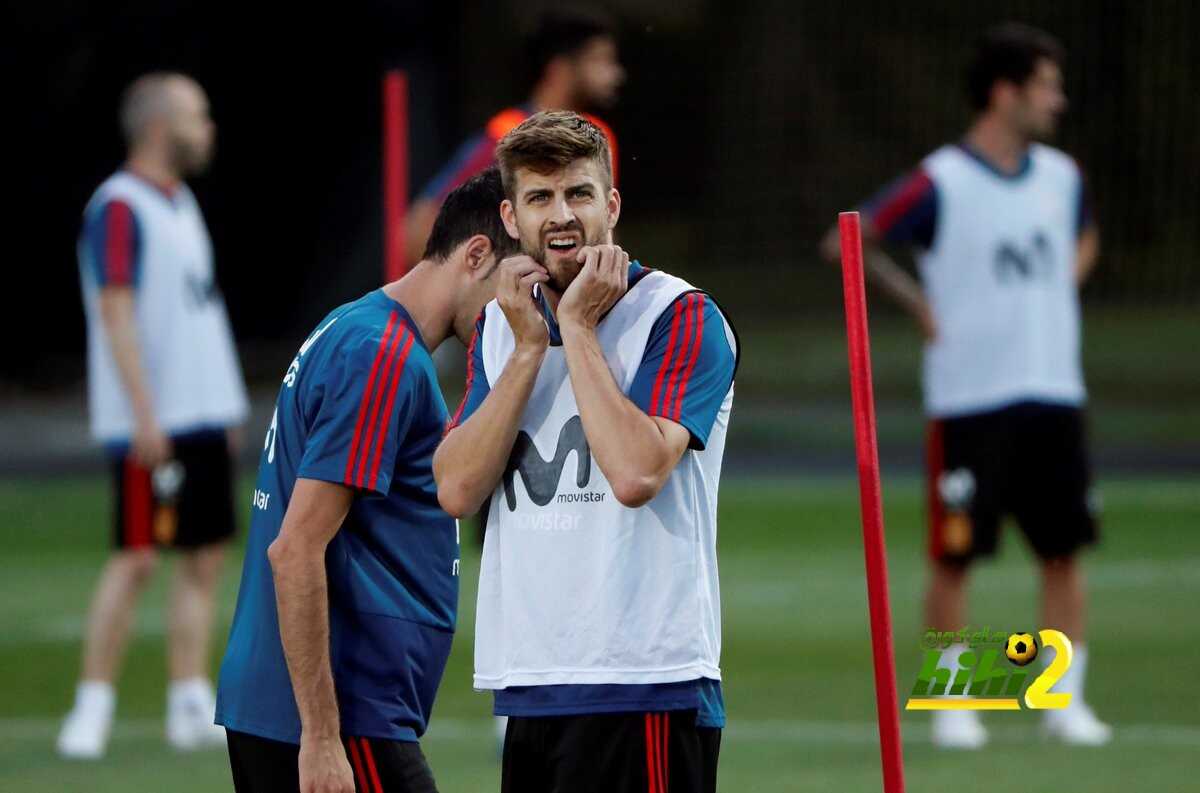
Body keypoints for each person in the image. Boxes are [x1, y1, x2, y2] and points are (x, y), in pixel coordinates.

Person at [820, 22, 1109, 748]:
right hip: (970, 398)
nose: (1057, 100)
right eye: (1046, 86)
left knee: (1063, 550)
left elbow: (1085, 232)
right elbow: (850, 240)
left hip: (1054, 389)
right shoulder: (942, 180)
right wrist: (918, 303)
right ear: (1005, 93)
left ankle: (1061, 699)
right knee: (955, 556)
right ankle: (957, 702)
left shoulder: (1062, 176)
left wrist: (1061, 285)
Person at [435, 111, 738, 793]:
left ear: (612, 205)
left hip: (646, 683)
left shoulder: (679, 314)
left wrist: (576, 326)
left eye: (579, 193)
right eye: (540, 198)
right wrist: (530, 348)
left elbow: (635, 472)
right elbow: (456, 489)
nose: (561, 214)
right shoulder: (502, 327)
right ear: (511, 218)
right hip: (532, 681)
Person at [215, 168, 517, 793]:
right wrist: (322, 737)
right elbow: (296, 549)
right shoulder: (382, 354)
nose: (520, 307)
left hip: (329, 713)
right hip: (344, 719)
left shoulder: (362, 329)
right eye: (517, 282)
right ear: (477, 254)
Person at [60, 72, 248, 759]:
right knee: (137, 556)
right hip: (154, 419)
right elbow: (115, 310)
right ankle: (92, 704)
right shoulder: (118, 207)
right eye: (198, 116)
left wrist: (225, 401)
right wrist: (142, 412)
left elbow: (197, 310)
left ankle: (188, 698)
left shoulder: (182, 203)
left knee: (204, 555)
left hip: (202, 412)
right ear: (161, 128)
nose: (208, 129)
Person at [403, 7, 624, 266]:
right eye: (599, 60)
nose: (616, 74)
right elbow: (417, 231)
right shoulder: (505, 136)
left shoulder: (599, 138)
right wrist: (489, 281)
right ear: (560, 69)